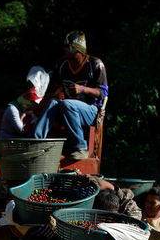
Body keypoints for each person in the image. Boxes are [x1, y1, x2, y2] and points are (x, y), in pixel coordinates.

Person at [33, 31, 109, 160]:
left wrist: (82, 89)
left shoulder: (95, 64)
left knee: (67, 104)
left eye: (73, 57)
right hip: (67, 108)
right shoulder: (63, 64)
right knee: (53, 103)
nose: (70, 60)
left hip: (90, 111)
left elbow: (103, 93)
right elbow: (56, 86)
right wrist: (55, 91)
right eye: (68, 56)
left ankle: (81, 147)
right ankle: (35, 142)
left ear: (81, 53)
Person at [0, 66, 50, 138]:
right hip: (8, 142)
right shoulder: (13, 109)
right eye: (33, 103)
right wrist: (23, 117)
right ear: (30, 102)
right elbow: (22, 131)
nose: (34, 106)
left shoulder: (29, 111)